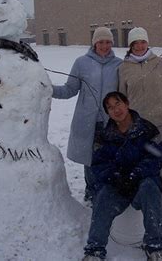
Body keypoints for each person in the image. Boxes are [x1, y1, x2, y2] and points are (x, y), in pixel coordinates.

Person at [83, 92, 162, 261]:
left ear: (127, 104)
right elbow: (99, 164)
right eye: (110, 107)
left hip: (142, 181)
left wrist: (135, 174)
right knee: (103, 198)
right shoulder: (105, 136)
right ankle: (95, 251)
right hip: (117, 185)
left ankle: (155, 247)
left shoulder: (147, 129)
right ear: (107, 113)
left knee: (150, 189)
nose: (116, 110)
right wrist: (115, 177)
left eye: (118, 104)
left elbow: (155, 158)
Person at [52, 27, 122, 201]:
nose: (104, 46)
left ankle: (107, 193)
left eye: (108, 42)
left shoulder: (119, 65)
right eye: (101, 42)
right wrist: (48, 89)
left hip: (111, 122)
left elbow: (127, 92)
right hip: (87, 122)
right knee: (90, 161)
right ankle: (91, 194)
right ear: (94, 43)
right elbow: (70, 89)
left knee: (110, 159)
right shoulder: (81, 63)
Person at [119, 27, 162, 144]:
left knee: (159, 158)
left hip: (159, 123)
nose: (140, 46)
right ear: (130, 46)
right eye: (135, 43)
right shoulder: (123, 68)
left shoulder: (159, 63)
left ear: (147, 43)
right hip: (136, 125)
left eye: (143, 42)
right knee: (138, 160)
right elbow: (122, 98)